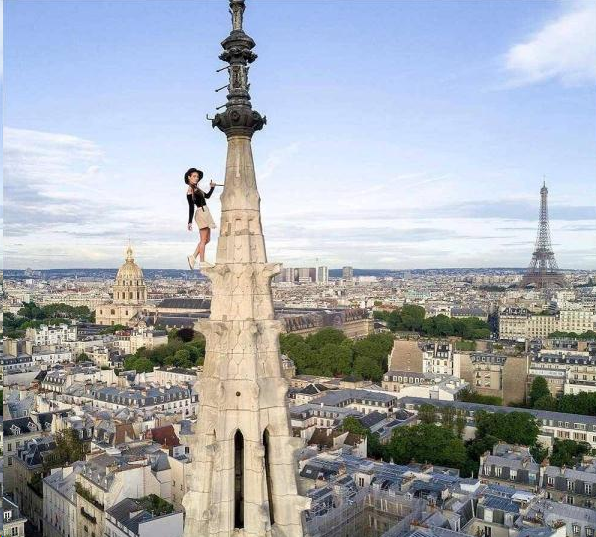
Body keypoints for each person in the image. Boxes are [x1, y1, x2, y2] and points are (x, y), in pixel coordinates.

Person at [185, 167, 217, 268]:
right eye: (194, 176)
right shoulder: (190, 190)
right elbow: (191, 207)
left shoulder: (197, 188)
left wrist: (212, 187)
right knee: (203, 240)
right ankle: (202, 262)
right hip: (201, 212)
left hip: (205, 211)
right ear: (189, 177)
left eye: (197, 177)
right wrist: (189, 222)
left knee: (207, 240)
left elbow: (207, 196)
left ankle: (193, 257)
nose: (196, 178)